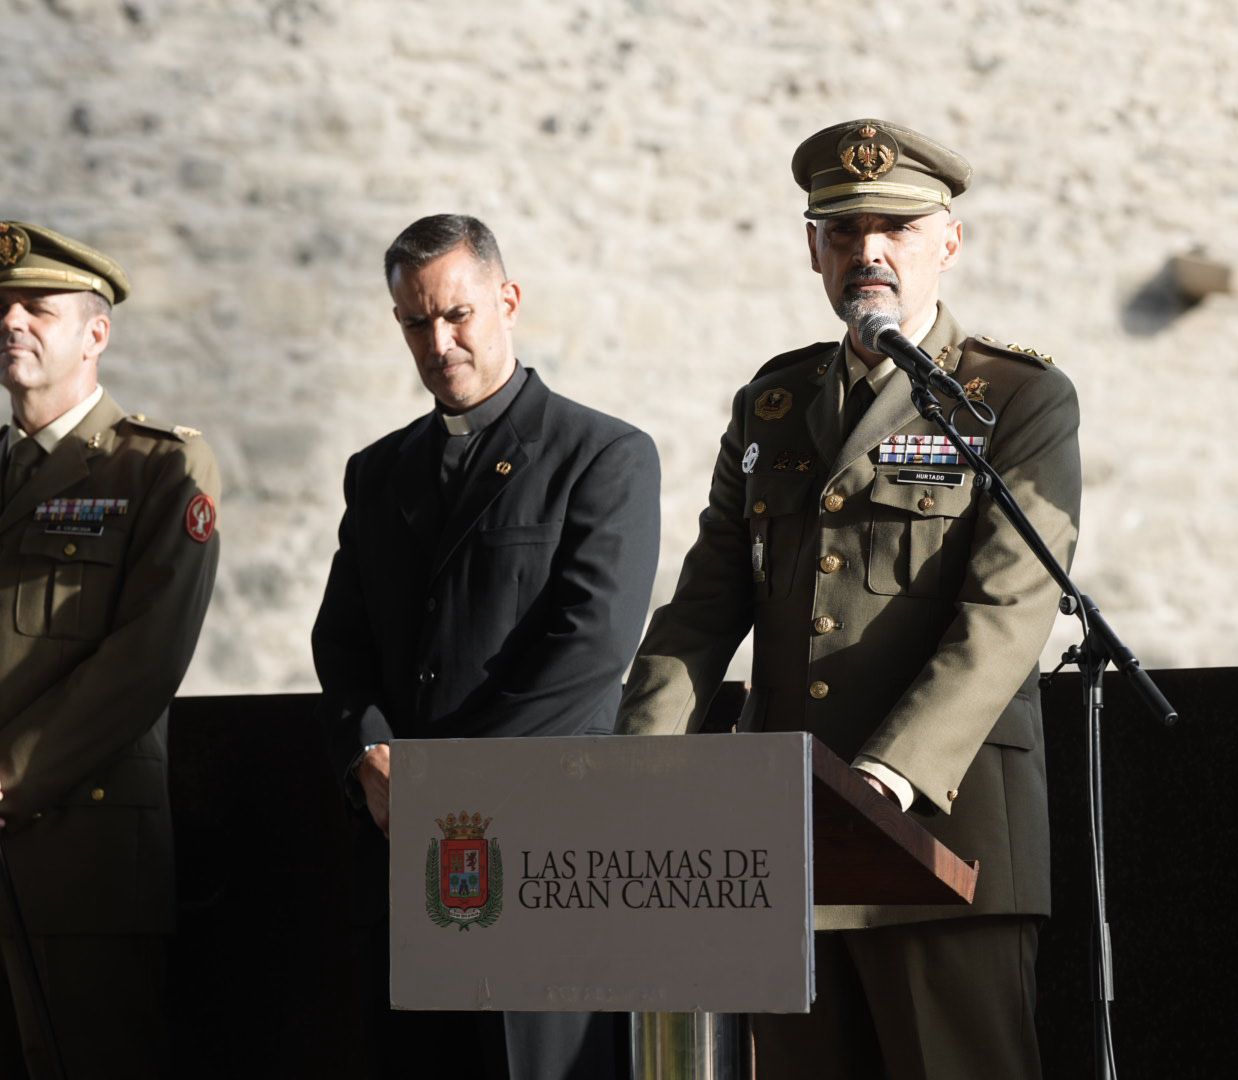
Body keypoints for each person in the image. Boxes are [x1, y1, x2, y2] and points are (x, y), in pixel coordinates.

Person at [616, 120, 1080, 1079]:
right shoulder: (772, 405)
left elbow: (1005, 616)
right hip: (789, 849)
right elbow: (703, 612)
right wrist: (633, 767)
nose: (868, 250)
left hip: (944, 845)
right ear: (813, 248)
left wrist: (891, 775)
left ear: (946, 242)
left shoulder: (1014, 396)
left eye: (897, 228)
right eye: (842, 229)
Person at [312, 214, 659, 1080]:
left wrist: (442, 784)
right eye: (415, 322)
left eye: (458, 314)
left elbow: (588, 651)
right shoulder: (377, 470)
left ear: (507, 301)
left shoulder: (602, 455)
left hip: (545, 846)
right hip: (399, 850)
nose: (439, 341)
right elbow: (341, 640)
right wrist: (369, 755)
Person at [0, 220, 221, 1078]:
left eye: (38, 309)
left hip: (81, 861)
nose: (12, 322)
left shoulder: (158, 469)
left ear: (96, 335)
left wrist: (11, 775)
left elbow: (145, 660)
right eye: (3, 309)